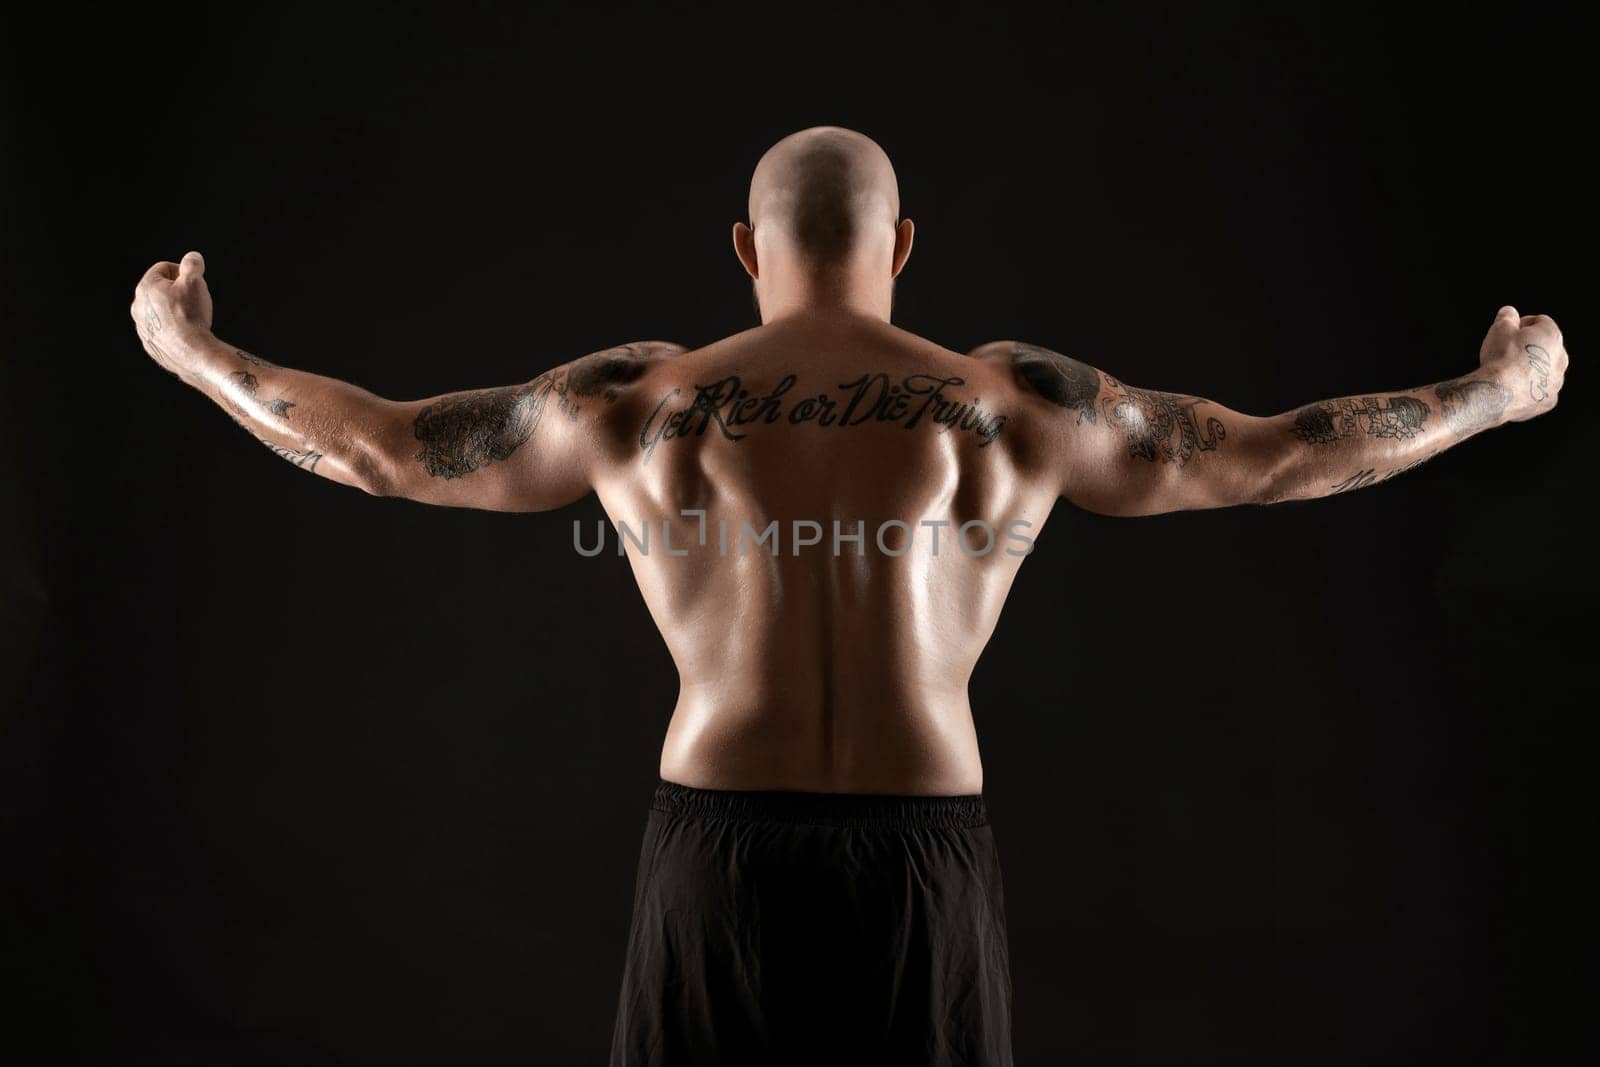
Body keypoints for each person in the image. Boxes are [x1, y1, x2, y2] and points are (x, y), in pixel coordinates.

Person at [130, 125, 1567, 1066]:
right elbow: (1270, 460)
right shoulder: (1015, 403)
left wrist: (195, 355)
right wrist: (1496, 398)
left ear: (749, 252)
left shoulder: (642, 399)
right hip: (925, 856)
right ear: (906, 247)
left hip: (717, 860)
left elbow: (380, 448)